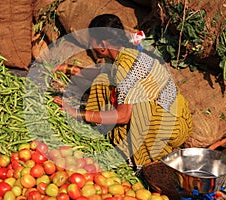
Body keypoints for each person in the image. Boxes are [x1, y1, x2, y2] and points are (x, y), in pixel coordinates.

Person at [53, 14, 193, 173]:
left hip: (164, 130)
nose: (89, 47)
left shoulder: (125, 67)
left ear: (103, 44)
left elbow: (123, 116)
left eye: (91, 41)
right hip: (178, 118)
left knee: (123, 113)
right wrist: (69, 69)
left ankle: (150, 164)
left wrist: (78, 113)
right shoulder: (130, 50)